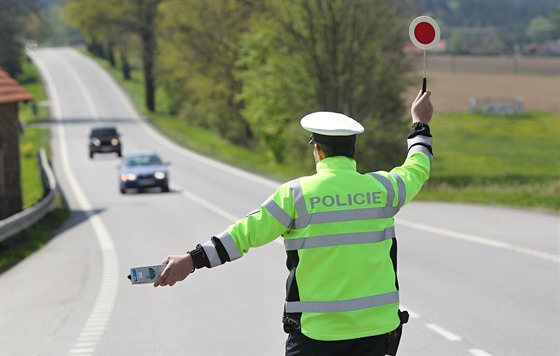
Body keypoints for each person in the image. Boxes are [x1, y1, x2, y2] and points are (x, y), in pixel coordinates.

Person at [154, 90, 434, 356]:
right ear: (352, 150)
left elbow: (243, 235)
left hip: (317, 334)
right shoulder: (384, 189)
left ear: (318, 151)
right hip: (375, 331)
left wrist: (191, 261)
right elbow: (418, 167)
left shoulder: (295, 195)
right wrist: (420, 123)